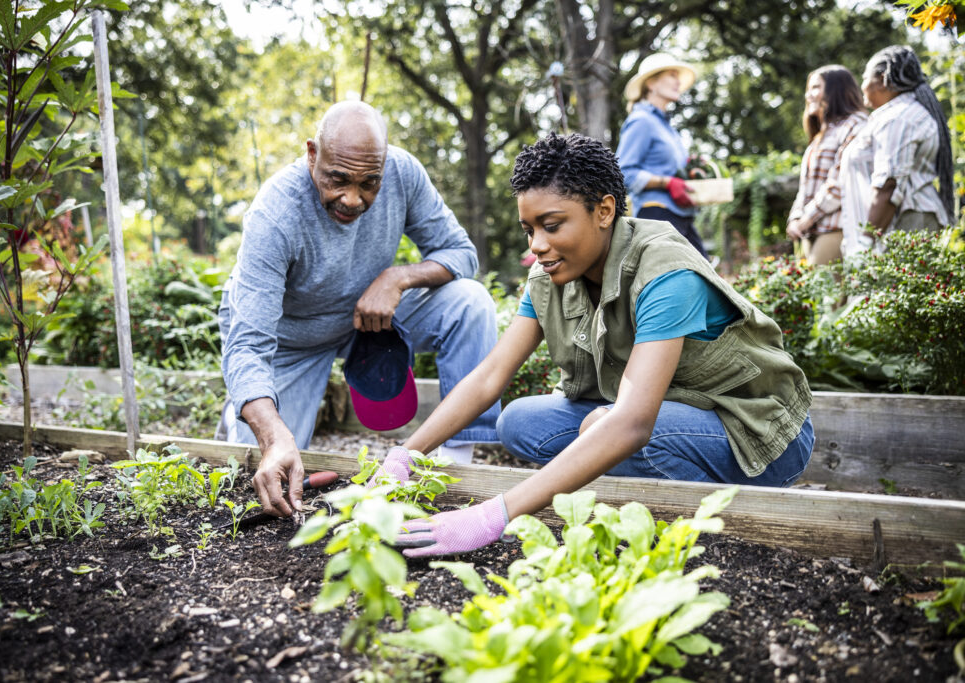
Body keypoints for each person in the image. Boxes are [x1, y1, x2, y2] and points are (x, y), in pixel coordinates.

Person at [378, 133, 814, 558]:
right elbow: (491, 376)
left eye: (551, 226)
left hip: (756, 433)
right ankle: (633, 487)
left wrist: (495, 514)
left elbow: (632, 424)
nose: (537, 246)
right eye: (529, 229)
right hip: (667, 412)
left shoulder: (665, 269)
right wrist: (406, 453)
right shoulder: (550, 277)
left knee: (616, 432)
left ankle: (712, 523)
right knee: (519, 422)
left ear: (604, 210)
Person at [218, 101, 500, 517]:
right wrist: (273, 435)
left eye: (370, 183)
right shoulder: (275, 213)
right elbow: (246, 346)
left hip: (369, 320)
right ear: (312, 154)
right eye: (338, 180)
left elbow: (460, 253)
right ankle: (239, 423)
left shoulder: (403, 172)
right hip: (290, 340)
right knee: (256, 477)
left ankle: (458, 465)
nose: (353, 198)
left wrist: (397, 277)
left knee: (470, 302)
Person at [840, 45, 953, 256]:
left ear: (882, 80)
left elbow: (888, 184)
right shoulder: (901, 114)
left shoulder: (898, 119)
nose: (862, 86)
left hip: (905, 223)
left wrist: (866, 242)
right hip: (903, 223)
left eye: (865, 78)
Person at [615, 52, 708, 258]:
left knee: (705, 276)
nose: (678, 82)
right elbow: (622, 174)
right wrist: (666, 183)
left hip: (680, 216)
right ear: (651, 84)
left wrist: (691, 172)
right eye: (672, 75)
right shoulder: (641, 121)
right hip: (656, 215)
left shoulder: (666, 127)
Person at [786, 66, 868, 265]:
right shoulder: (820, 135)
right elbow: (806, 188)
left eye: (815, 88)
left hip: (837, 227)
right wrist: (795, 218)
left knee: (825, 294)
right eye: (809, 89)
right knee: (812, 293)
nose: (809, 95)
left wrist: (807, 219)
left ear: (836, 90)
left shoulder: (854, 125)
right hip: (811, 229)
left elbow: (839, 182)